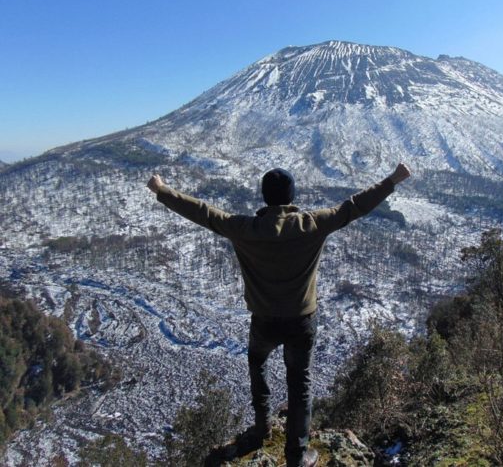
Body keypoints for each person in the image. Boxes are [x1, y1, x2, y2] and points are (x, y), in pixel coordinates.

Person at [147, 163, 411, 467]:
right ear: (291, 196)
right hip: (302, 322)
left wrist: (162, 190)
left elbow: (204, 212)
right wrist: (392, 179)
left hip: (263, 321)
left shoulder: (245, 228)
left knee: (257, 364)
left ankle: (262, 429)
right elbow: (354, 206)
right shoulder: (311, 224)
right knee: (300, 384)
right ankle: (297, 456)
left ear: (265, 197)